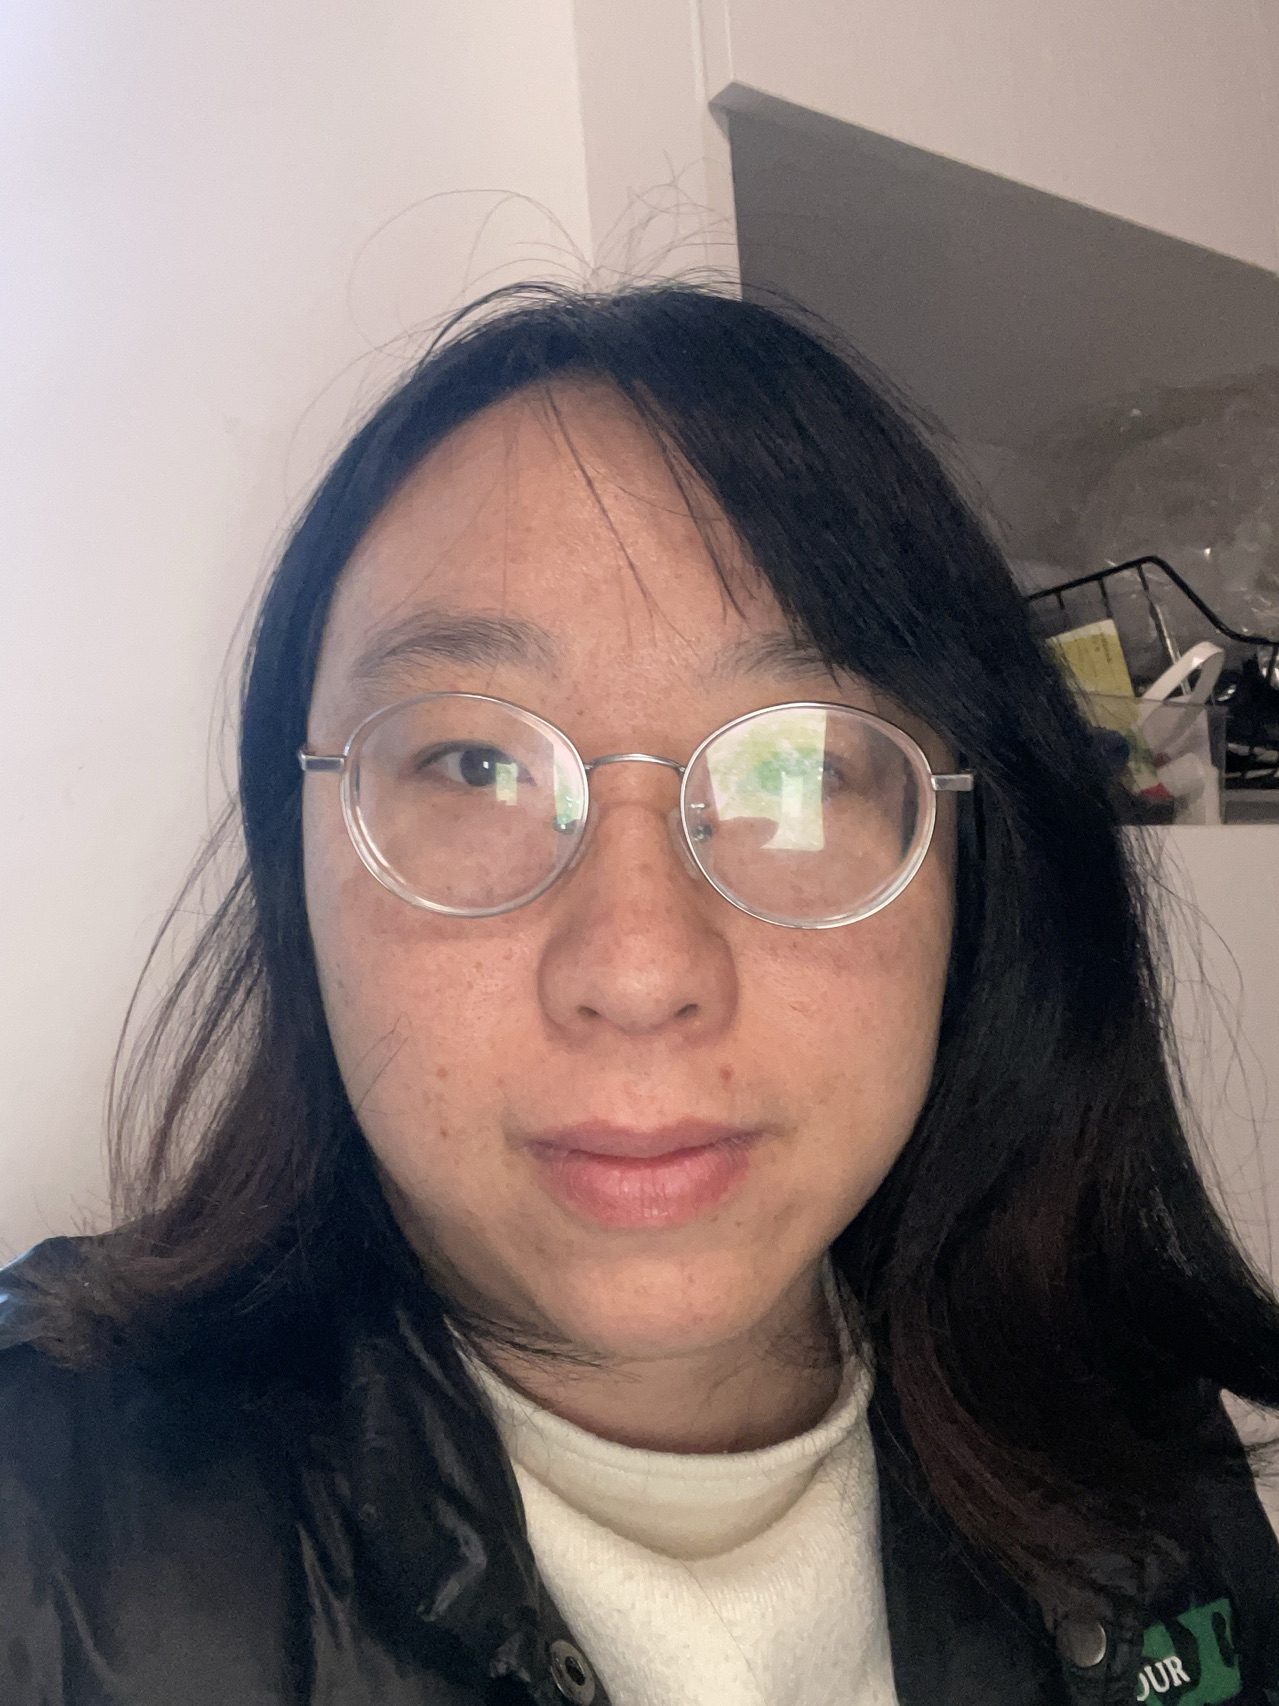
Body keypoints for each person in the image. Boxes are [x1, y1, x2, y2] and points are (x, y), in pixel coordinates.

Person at [1, 282, 1277, 1706]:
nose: (639, 969)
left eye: (796, 767)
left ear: (976, 866)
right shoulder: (43, 1545)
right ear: (297, 860)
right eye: (476, 764)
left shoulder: (1126, 1430)